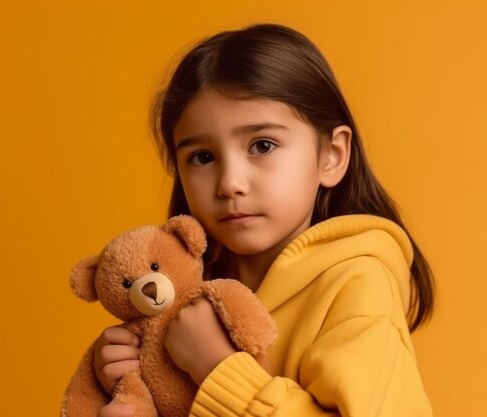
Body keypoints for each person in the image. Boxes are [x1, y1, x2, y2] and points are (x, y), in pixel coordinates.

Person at [92, 23, 435, 417]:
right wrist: (126, 385)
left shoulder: (356, 286)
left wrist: (218, 369)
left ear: (332, 155)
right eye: (202, 157)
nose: (229, 183)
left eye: (262, 145)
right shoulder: (182, 288)